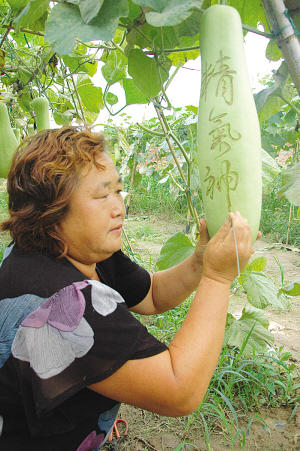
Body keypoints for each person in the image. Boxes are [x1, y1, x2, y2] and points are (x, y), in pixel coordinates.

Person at [0, 126, 256, 451]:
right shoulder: (65, 301)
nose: (119, 207)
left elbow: (152, 294)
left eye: (118, 192)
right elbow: (179, 391)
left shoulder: (66, 250)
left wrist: (199, 262)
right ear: (51, 208)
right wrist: (218, 278)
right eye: (101, 195)